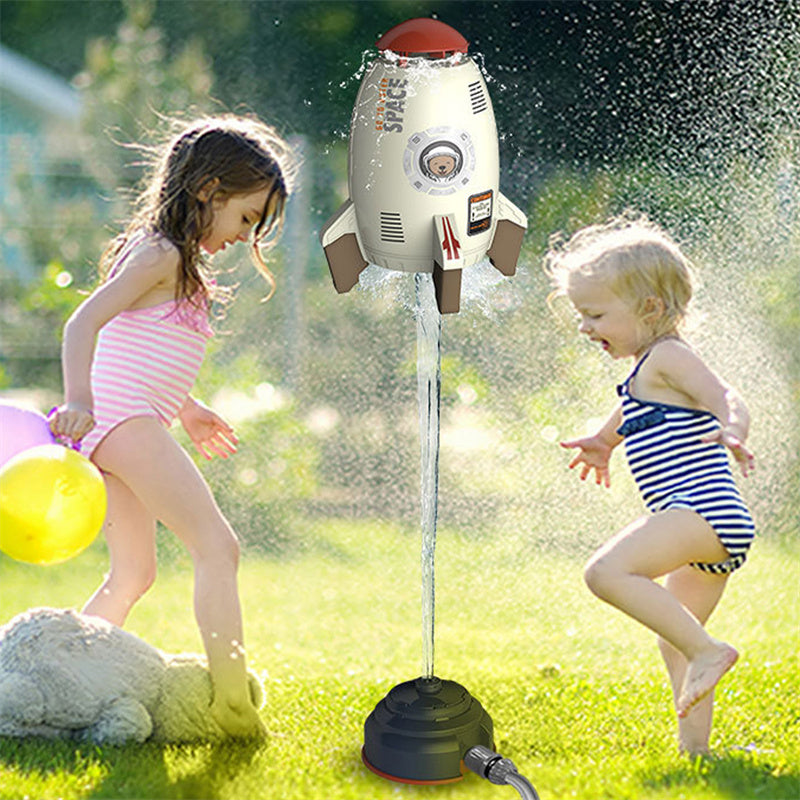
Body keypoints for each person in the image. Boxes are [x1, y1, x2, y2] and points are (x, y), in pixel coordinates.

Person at [49, 115, 291, 738]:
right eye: (245, 217)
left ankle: (59, 679)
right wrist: (77, 399)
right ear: (208, 190)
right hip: (121, 422)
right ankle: (232, 704)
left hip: (130, 422)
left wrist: (189, 408)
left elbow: (146, 349)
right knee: (218, 547)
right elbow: (83, 325)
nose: (246, 235)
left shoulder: (177, 263)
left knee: (133, 574)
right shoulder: (159, 253)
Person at [546, 215, 755, 755]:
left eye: (594, 315)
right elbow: (627, 414)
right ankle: (696, 751)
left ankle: (711, 651)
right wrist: (601, 441)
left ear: (650, 310)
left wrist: (732, 429)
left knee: (606, 572)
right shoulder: (645, 371)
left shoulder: (669, 356)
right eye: (580, 316)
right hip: (706, 529)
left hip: (700, 513)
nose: (585, 328)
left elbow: (727, 397)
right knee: (675, 639)